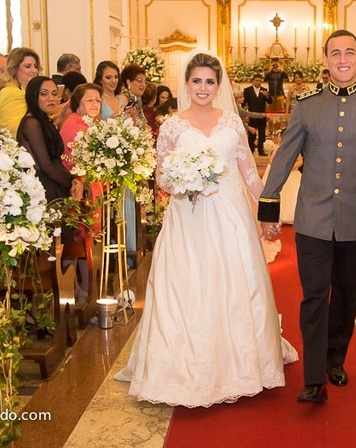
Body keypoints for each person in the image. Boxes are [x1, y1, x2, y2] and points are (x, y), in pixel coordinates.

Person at [115, 50, 296, 407]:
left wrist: (268, 210)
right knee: (190, 287)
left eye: (209, 81)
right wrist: (184, 182)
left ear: (219, 85)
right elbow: (161, 177)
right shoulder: (172, 126)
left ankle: (241, 364)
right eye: (196, 81)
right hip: (189, 217)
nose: (203, 87)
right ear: (187, 84)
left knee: (235, 284)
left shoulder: (231, 123)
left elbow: (247, 172)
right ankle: (184, 368)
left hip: (231, 216)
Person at [259, 29, 356, 404]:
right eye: (335, 53)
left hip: (355, 219)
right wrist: (269, 204)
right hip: (313, 219)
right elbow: (285, 156)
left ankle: (335, 358)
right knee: (313, 296)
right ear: (326, 60)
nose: (343, 58)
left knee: (346, 296)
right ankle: (313, 378)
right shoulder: (307, 105)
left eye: (349, 52)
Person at [16, 76, 81, 202]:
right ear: (33, 97)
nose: (51, 98)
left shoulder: (43, 120)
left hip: (52, 183)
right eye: (44, 94)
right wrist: (71, 182)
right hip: (43, 190)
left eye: (54, 93)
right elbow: (46, 165)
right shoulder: (32, 123)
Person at [0, 47, 40, 136]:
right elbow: (19, 129)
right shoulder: (12, 93)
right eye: (28, 66)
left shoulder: (27, 91)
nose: (34, 70)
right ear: (15, 69)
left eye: (35, 66)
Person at [243, 73, 272, 155]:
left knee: (262, 134)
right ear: (253, 81)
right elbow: (244, 103)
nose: (258, 82)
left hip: (262, 116)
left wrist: (267, 96)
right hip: (252, 115)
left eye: (260, 81)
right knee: (252, 134)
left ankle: (261, 150)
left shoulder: (264, 90)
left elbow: (270, 101)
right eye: (256, 80)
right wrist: (245, 115)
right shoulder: (247, 90)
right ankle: (250, 149)